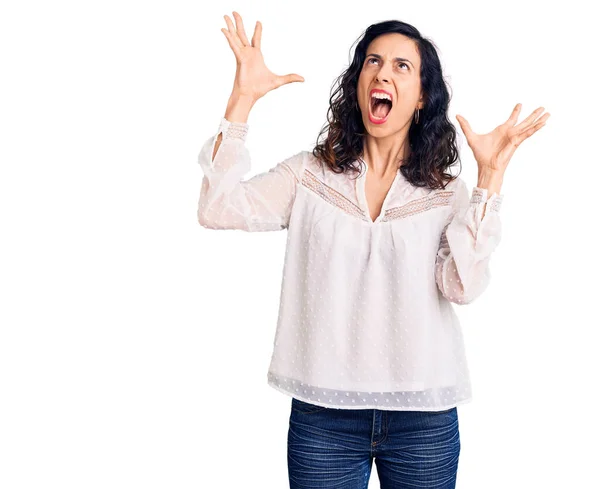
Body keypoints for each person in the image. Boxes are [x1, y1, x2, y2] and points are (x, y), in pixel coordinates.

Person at [196, 11, 550, 489]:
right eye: (373, 62)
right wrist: (242, 99)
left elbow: (461, 287)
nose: (383, 72)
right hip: (324, 417)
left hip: (422, 418)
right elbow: (218, 208)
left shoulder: (446, 194)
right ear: (359, 82)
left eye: (402, 66)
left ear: (422, 97)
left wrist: (490, 179)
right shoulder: (310, 176)